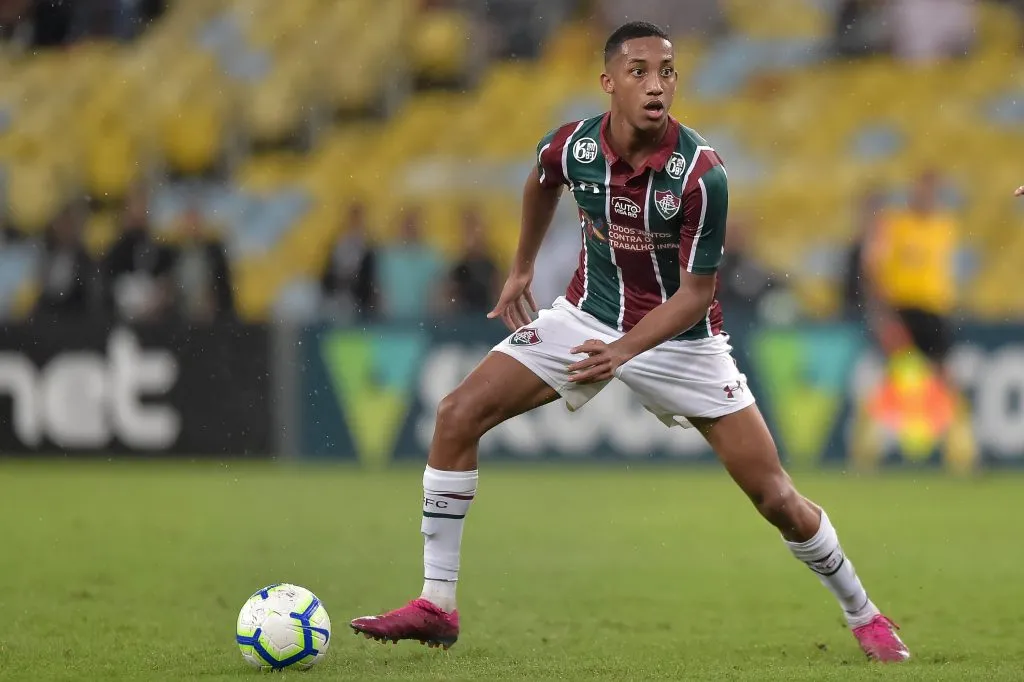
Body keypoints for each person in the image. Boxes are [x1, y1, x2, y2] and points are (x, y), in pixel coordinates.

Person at [351, 22, 910, 663]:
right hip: (588, 316)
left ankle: (865, 615)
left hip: (684, 340)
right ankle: (436, 605)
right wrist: (522, 266)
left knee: (775, 496)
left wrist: (625, 352)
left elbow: (696, 295)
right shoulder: (576, 146)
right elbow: (541, 178)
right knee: (455, 415)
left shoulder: (701, 175)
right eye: (639, 70)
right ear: (608, 82)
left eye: (667, 71)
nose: (656, 85)